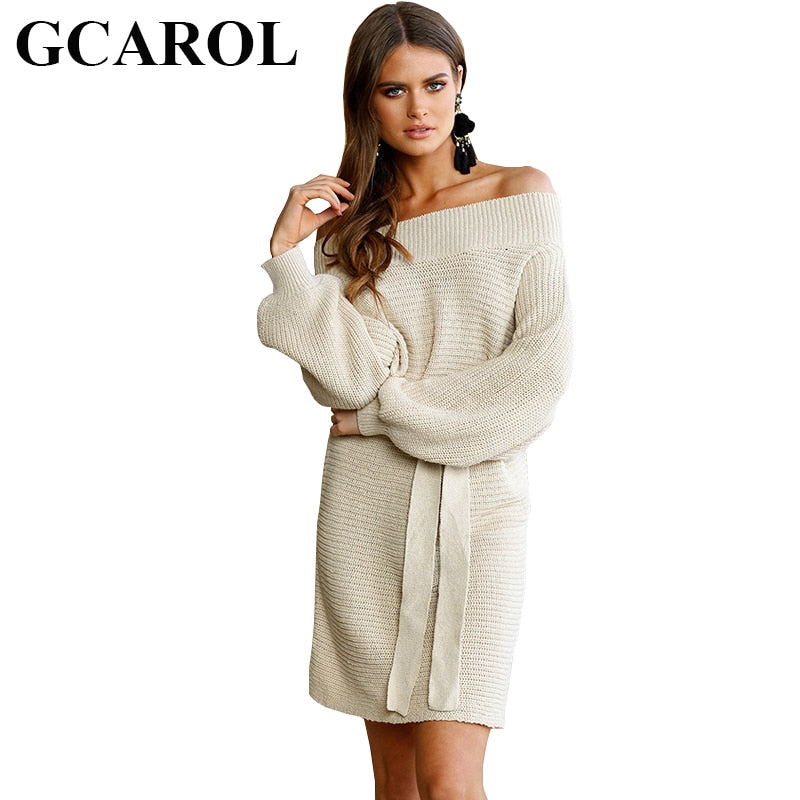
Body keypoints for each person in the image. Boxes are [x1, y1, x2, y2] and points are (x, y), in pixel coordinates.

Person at [257, 3, 572, 797]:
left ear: (460, 81)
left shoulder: (521, 194)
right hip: (368, 512)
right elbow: (344, 379)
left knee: (449, 783)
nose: (419, 108)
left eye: (434, 84)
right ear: (365, 100)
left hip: (481, 507)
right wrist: (288, 254)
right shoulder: (351, 229)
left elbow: (536, 377)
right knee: (397, 788)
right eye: (394, 91)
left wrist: (382, 415)